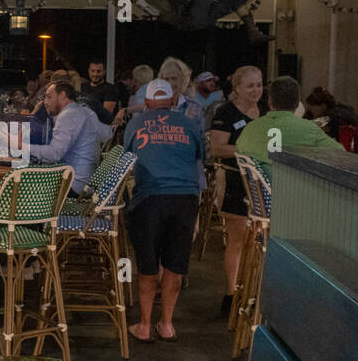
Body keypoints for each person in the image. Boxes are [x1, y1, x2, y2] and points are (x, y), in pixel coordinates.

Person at [122, 79, 204, 344]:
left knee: (148, 266)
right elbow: (199, 157)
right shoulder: (190, 124)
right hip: (185, 198)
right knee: (175, 266)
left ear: (146, 103)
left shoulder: (136, 123)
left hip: (150, 198)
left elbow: (129, 158)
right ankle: (167, 324)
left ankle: (145, 325)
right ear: (171, 102)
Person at [209, 65, 267, 318]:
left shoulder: (267, 113)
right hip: (235, 179)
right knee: (238, 238)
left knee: (261, 238)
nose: (256, 90)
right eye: (251, 85)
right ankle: (232, 293)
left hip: (263, 181)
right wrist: (248, 148)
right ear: (237, 88)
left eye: (260, 84)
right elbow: (217, 149)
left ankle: (257, 291)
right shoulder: (225, 113)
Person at [237, 76, 344, 174]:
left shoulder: (250, 128)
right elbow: (341, 154)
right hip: (296, 192)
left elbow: (240, 151)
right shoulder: (310, 129)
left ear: (270, 101)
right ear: (298, 103)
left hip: (261, 193)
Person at [28, 80, 110, 189]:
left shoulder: (68, 115)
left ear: (62, 95)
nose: (45, 102)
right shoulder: (86, 111)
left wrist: (22, 147)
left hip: (72, 184)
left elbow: (54, 154)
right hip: (87, 180)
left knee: (20, 183)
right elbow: (107, 134)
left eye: (49, 97)